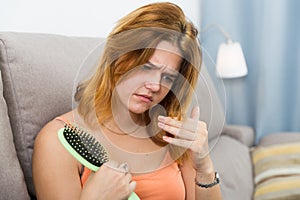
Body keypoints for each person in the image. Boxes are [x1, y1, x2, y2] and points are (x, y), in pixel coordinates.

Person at [32, 2, 222, 200]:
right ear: (117, 58)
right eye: (147, 68)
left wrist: (205, 167)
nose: (156, 86)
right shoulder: (56, 141)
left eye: (168, 78)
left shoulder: (172, 134)